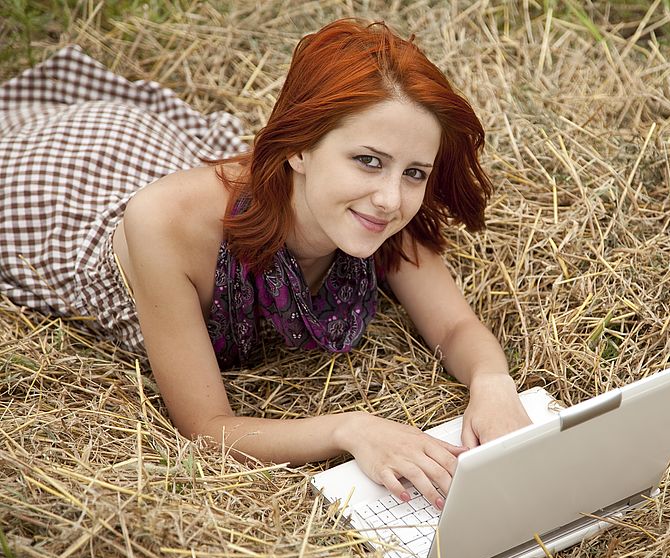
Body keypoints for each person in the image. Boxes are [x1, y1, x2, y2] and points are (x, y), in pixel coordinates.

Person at [0, 18, 532, 509]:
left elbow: (457, 324)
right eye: (367, 161)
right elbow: (206, 427)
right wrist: (351, 429)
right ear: (298, 149)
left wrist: (492, 382)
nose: (391, 198)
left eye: (415, 172)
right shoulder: (164, 224)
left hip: (159, 153)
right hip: (55, 183)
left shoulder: (380, 210)